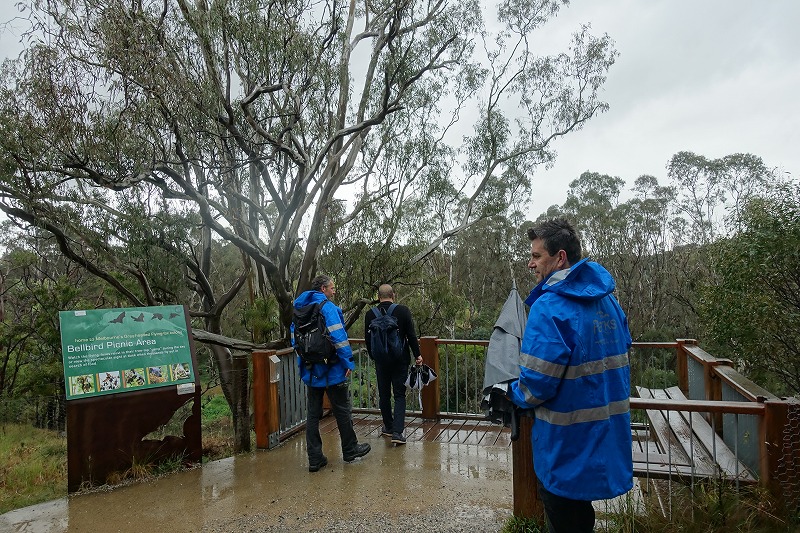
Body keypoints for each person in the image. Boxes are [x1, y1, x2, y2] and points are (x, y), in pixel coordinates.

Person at [508, 218, 633, 533]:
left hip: (566, 445)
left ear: (559, 257)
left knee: (563, 517)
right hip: (605, 433)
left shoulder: (550, 307)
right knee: (581, 518)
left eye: (536, 256)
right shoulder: (608, 301)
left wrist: (511, 392)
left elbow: (536, 384)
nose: (530, 263)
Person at [294, 275, 371, 472]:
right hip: (333, 368)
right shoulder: (327, 308)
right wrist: (348, 362)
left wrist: (306, 361)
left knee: (312, 414)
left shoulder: (299, 309)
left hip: (311, 371)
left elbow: (295, 341)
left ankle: (315, 458)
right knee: (342, 409)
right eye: (331, 287)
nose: (333, 291)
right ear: (322, 289)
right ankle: (350, 449)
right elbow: (339, 337)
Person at [364, 283, 422, 445]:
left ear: (378, 297)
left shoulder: (370, 314)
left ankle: (388, 427)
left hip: (381, 361)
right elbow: (411, 335)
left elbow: (368, 340)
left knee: (384, 395)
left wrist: (374, 356)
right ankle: (397, 432)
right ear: (393, 295)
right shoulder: (403, 311)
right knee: (399, 395)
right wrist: (418, 355)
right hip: (400, 360)